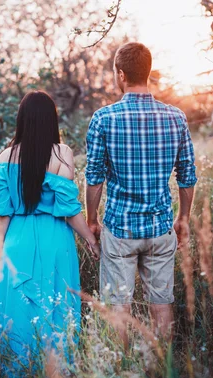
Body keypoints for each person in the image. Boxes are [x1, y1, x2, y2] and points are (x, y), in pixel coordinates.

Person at [85, 42, 198, 340]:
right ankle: (163, 372)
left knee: (118, 307)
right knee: (161, 305)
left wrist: (92, 220)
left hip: (120, 230)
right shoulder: (176, 117)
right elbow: (187, 177)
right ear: (147, 73)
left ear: (121, 74)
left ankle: (121, 377)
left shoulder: (104, 118)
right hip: (160, 228)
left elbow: (94, 177)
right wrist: (183, 218)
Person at [0, 91, 100, 378]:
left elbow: (1, 212)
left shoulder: (6, 155)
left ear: (22, 120)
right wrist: (91, 238)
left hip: (17, 240)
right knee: (57, 308)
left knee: (18, 312)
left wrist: (0, 254)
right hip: (56, 240)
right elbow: (68, 209)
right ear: (51, 119)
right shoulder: (61, 153)